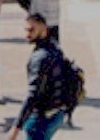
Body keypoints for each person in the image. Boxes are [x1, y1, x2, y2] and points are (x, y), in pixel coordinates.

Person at [9, 11, 77, 140]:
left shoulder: (39, 58)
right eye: (26, 30)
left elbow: (32, 95)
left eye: (31, 30)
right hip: (57, 114)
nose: (27, 35)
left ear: (44, 30)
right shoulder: (55, 49)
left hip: (41, 119)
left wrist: (16, 127)